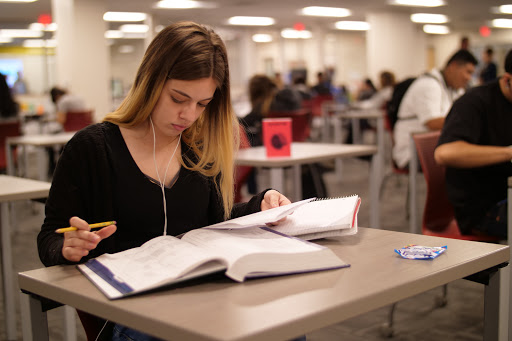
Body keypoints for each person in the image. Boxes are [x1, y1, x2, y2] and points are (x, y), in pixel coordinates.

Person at [37, 21, 291, 341]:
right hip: (129, 311)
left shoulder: (200, 147)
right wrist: (67, 245)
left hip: (202, 296)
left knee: (285, 326)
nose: (188, 115)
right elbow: (49, 237)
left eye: (202, 104)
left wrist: (261, 204)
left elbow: (212, 222)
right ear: (151, 81)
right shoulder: (92, 149)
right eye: (178, 98)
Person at [434, 49, 512, 239]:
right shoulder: (474, 102)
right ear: (508, 79)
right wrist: (508, 152)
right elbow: (444, 153)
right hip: (483, 208)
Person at [392, 49, 477, 169]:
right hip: (413, 152)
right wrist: (470, 123)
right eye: (468, 72)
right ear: (453, 66)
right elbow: (432, 123)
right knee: (468, 161)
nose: (469, 78)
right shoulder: (429, 85)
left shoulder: (452, 89)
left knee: (476, 158)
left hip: (436, 147)